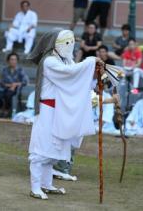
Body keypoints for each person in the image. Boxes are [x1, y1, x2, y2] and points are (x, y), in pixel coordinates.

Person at [27, 29, 105, 200]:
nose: (71, 46)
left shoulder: (65, 60)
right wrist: (90, 61)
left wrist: (93, 68)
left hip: (59, 111)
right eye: (67, 43)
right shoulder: (49, 62)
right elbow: (70, 74)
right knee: (42, 148)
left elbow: (75, 75)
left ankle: (46, 184)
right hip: (47, 111)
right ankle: (35, 187)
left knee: (55, 148)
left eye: (72, 42)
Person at [0, 53, 29, 117]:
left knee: (9, 94)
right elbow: (2, 81)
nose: (13, 61)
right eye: (11, 59)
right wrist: (8, 85)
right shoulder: (5, 70)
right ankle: (1, 107)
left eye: (15, 60)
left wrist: (15, 84)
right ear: (8, 61)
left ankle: (6, 110)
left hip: (15, 90)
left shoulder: (20, 70)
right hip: (4, 87)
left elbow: (25, 81)